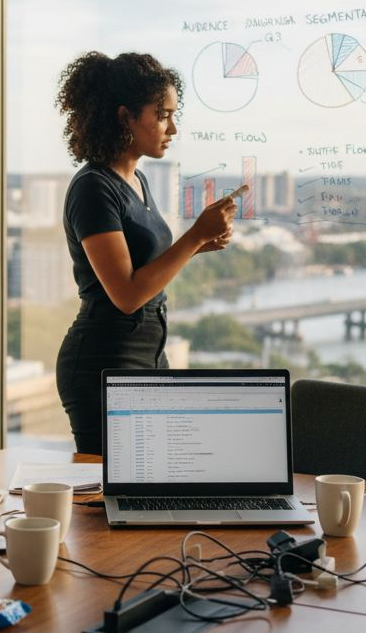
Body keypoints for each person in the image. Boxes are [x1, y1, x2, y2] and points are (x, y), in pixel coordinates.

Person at [54, 51, 237, 454]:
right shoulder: (93, 188)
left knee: (156, 475)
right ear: (125, 117)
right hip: (104, 362)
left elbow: (141, 267)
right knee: (109, 486)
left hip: (148, 355)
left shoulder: (136, 180)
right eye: (162, 115)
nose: (173, 128)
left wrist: (200, 245)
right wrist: (193, 237)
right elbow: (126, 294)